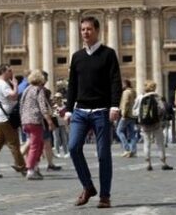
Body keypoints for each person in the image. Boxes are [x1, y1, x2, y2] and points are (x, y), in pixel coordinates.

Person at [66, 16, 122, 209]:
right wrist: (68, 109)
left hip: (101, 111)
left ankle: (105, 196)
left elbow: (116, 81)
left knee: (103, 154)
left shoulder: (108, 54)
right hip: (80, 111)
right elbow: (72, 85)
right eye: (82, 30)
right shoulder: (77, 56)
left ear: (97, 31)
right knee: (73, 147)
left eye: (89, 29)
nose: (85, 33)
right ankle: (88, 186)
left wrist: (115, 106)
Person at [0, 64, 26, 178]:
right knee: (14, 143)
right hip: (5, 119)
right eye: (9, 71)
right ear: (3, 72)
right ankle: (22, 166)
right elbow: (14, 96)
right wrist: (15, 85)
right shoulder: (3, 85)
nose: (11, 73)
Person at [19, 70, 55, 180]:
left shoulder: (26, 90)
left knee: (38, 144)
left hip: (26, 121)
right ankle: (30, 169)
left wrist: (23, 119)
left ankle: (35, 167)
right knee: (35, 145)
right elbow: (43, 107)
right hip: (35, 121)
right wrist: (49, 121)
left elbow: (21, 105)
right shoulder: (39, 90)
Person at [134, 80, 173, 171]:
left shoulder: (140, 98)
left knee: (146, 143)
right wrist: (158, 116)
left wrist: (141, 117)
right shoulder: (157, 97)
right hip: (156, 123)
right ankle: (163, 163)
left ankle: (148, 163)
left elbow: (134, 111)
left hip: (144, 124)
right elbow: (163, 109)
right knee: (160, 143)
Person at [117, 79, 138, 157]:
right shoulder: (133, 92)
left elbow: (126, 103)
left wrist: (123, 114)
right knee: (132, 134)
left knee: (119, 131)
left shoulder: (126, 92)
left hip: (126, 115)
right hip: (132, 115)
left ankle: (127, 149)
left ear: (125, 84)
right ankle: (133, 151)